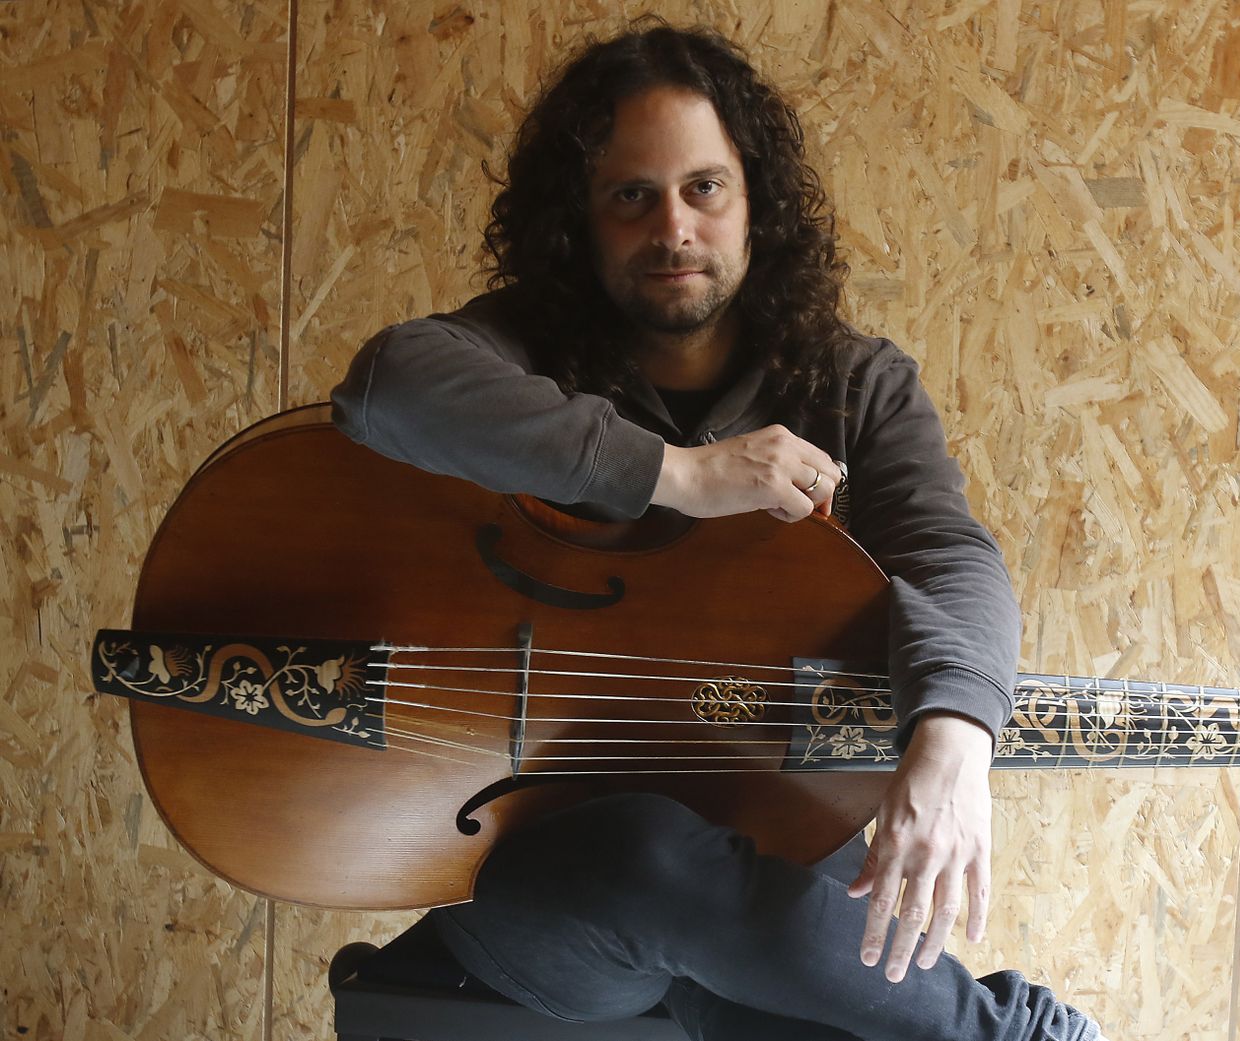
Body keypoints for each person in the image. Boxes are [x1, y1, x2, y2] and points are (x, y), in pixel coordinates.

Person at [331, 22, 1103, 1041]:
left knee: (757, 937)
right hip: (553, 901)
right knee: (638, 858)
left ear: (755, 206)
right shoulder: (526, 347)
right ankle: (1006, 1033)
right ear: (580, 220)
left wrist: (954, 740)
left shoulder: (855, 386)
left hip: (769, 900)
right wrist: (678, 475)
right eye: (629, 196)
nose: (673, 229)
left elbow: (947, 558)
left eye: (704, 188)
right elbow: (387, 386)